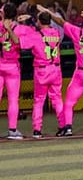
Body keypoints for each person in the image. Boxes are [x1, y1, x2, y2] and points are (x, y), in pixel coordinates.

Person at [36, 5, 83, 136]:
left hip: (81, 74)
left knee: (69, 103)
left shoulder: (78, 32)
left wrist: (48, 11)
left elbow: (60, 22)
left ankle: (68, 127)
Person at [15, 10, 65, 138]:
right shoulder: (57, 33)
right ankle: (63, 127)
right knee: (57, 99)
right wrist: (32, 20)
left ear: (39, 21)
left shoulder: (35, 35)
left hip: (42, 70)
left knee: (39, 101)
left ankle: (37, 130)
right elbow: (41, 29)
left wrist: (20, 24)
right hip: (56, 69)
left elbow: (18, 41)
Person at [0, 4, 25, 139]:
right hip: (12, 68)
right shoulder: (19, 27)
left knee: (12, 100)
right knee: (13, 100)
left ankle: (13, 130)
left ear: (4, 13)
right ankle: (12, 130)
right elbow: (18, 42)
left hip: (2, 65)